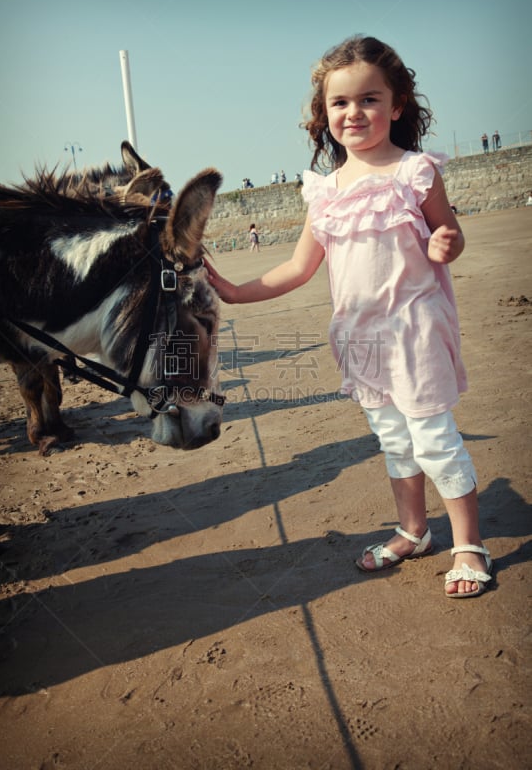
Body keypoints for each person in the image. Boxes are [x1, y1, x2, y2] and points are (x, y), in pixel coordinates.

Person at [207, 35, 493, 599]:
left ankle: (469, 544)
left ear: (397, 104)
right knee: (394, 439)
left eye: (369, 98)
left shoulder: (416, 173)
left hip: (416, 329)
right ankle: (413, 530)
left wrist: (446, 244)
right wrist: (237, 292)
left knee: (434, 438)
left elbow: (449, 232)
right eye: (340, 103)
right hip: (360, 337)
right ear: (323, 114)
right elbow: (297, 266)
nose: (354, 112)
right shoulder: (325, 192)